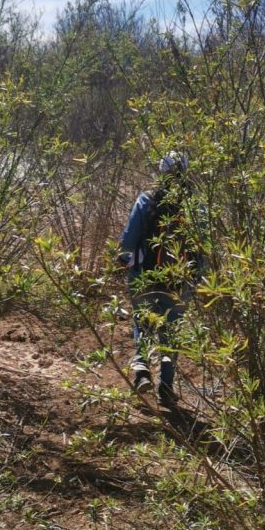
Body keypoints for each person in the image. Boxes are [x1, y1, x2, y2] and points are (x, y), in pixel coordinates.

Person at [117, 151, 195, 408]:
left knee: (143, 322)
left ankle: (142, 370)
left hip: (144, 276)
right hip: (178, 281)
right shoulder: (194, 207)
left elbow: (128, 240)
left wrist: (123, 260)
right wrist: (197, 280)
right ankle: (167, 387)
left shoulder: (146, 200)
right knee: (171, 333)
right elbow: (202, 249)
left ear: (161, 172)